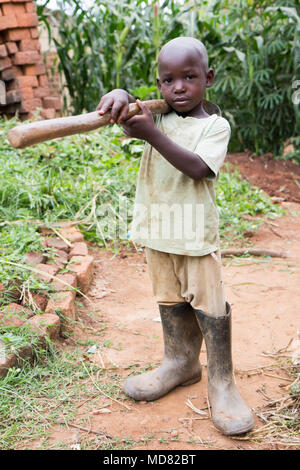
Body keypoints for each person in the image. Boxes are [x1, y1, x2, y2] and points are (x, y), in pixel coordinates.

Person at [96, 36, 254, 436]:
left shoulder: (214, 126)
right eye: (168, 80)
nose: (178, 87)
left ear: (208, 78)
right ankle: (180, 362)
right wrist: (120, 94)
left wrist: (151, 133)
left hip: (195, 237)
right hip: (158, 231)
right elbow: (130, 108)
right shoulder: (156, 116)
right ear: (159, 84)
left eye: (189, 77)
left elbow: (198, 168)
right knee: (168, 298)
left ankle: (222, 383)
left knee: (209, 305)